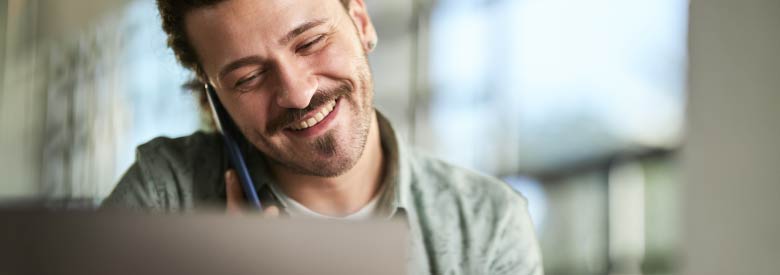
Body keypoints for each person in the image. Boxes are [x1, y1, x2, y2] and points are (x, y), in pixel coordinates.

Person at [102, 0, 543, 274]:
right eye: (250, 77)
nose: (297, 93)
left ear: (361, 20)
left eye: (310, 42)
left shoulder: (487, 225)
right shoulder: (166, 198)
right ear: (212, 99)